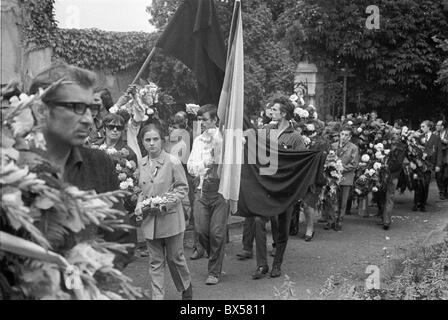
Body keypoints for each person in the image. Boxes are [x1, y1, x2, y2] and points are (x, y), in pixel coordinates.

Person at [28, 62, 134, 267]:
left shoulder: (99, 163)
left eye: (91, 108)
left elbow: (123, 238)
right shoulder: (11, 167)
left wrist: (94, 273)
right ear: (41, 110)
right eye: (76, 107)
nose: (88, 119)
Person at [135, 123, 192, 300]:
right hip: (150, 222)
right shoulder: (142, 163)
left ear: (162, 140)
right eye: (147, 140)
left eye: (155, 139)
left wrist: (165, 202)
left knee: (175, 259)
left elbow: (182, 188)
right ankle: (157, 297)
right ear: (143, 143)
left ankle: (186, 288)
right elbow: (141, 190)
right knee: (155, 262)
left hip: (171, 219)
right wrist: (139, 204)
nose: (151, 143)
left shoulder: (172, 161)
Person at [252, 96, 306, 280]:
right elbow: (253, 148)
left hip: (286, 190)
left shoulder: (296, 137)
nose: (271, 112)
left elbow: (301, 164)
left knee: (282, 228)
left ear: (283, 113)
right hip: (267, 187)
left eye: (275, 110)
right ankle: (261, 264)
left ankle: (277, 264)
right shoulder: (266, 131)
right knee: (258, 221)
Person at [187, 104, 229, 285]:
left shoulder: (226, 139)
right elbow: (190, 167)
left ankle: (214, 271)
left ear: (214, 120)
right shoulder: (198, 141)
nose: (201, 122)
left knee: (217, 233)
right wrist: (206, 163)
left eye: (204, 119)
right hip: (202, 190)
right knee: (202, 231)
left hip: (221, 192)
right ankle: (215, 255)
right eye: (199, 119)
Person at [325, 125, 359, 231]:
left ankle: (339, 220)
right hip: (332, 177)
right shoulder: (333, 145)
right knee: (331, 199)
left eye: (346, 135)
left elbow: (354, 164)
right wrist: (331, 167)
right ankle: (331, 220)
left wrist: (340, 168)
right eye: (342, 134)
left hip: (345, 177)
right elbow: (328, 159)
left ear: (350, 137)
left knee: (343, 201)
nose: (343, 137)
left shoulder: (353, 148)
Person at [376, 128, 406, 230]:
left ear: (400, 135)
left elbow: (399, 163)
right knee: (380, 196)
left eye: (397, 134)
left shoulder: (402, 147)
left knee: (389, 197)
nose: (395, 135)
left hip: (393, 176)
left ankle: (386, 221)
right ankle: (382, 216)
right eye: (393, 133)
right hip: (381, 175)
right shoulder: (384, 145)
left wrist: (387, 169)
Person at [413, 121, 441, 212]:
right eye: (421, 126)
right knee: (418, 183)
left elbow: (439, 152)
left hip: (429, 164)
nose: (421, 128)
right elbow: (415, 149)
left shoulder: (436, 138)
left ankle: (423, 204)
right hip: (419, 164)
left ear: (429, 127)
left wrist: (438, 165)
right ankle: (416, 203)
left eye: (423, 126)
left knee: (425, 184)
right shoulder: (419, 137)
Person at [435, 120, 448, 200]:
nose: (436, 126)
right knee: (438, 176)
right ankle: (442, 192)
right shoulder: (435, 133)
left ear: (442, 126)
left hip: (446, 156)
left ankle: (444, 191)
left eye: (438, 125)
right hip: (438, 157)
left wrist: (443, 140)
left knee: (446, 176)